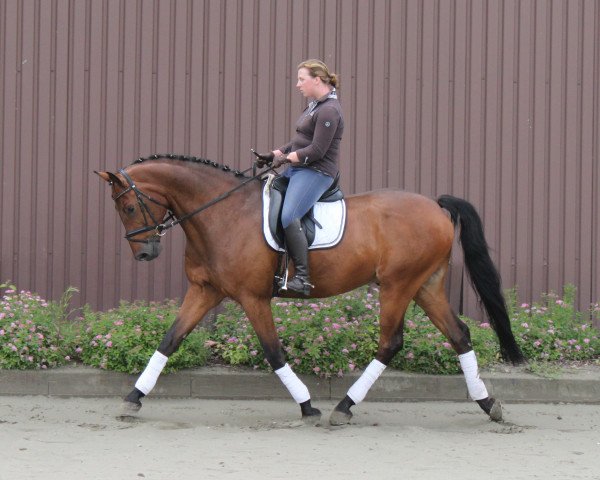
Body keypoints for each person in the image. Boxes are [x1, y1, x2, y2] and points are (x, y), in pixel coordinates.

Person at [255, 59, 344, 296]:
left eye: (301, 79)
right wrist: (274, 154)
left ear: (317, 79)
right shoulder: (315, 105)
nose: (297, 85)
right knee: (264, 193)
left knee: (289, 215)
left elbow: (317, 151)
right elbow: (300, 140)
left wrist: (288, 158)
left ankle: (303, 278)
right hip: (298, 169)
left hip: (317, 172)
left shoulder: (329, 110)